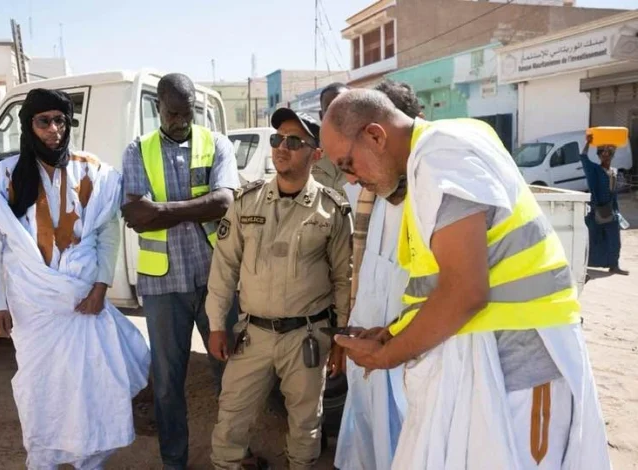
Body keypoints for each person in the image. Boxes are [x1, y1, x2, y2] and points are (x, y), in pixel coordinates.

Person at [321, 89, 611, 469]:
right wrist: (390, 332)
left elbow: (464, 291)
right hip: (496, 371)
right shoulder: (439, 155)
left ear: (376, 136)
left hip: (519, 371)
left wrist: (387, 355)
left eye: (349, 164)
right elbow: (438, 286)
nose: (354, 180)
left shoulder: (439, 156)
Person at [0, 88, 150, 470]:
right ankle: (43, 459)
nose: (54, 129)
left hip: (84, 298)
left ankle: (90, 460)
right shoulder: (4, 175)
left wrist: (102, 287)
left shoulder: (92, 171)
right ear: (28, 125)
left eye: (60, 120)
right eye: (43, 121)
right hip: (33, 304)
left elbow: (108, 233)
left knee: (90, 385)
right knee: (41, 388)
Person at [206, 107, 353, 470]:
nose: (281, 147)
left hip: (307, 336)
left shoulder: (333, 210)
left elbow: (344, 280)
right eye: (276, 139)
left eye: (293, 141)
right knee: (230, 418)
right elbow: (224, 267)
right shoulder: (246, 202)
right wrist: (215, 325)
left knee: (306, 425)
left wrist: (340, 339)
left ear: (316, 154)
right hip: (252, 334)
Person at [120, 73, 240, 470]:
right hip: (162, 286)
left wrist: (161, 211)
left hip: (215, 282)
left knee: (231, 374)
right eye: (172, 113)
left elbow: (224, 202)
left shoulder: (215, 143)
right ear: (158, 108)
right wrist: (192, 207)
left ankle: (230, 455)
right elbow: (137, 217)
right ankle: (175, 461)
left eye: (186, 113)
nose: (180, 121)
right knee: (168, 384)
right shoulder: (138, 150)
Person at [333, 79, 423, 470]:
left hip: (408, 355)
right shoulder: (371, 189)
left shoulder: (428, 190)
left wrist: (393, 342)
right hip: (369, 344)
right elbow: (362, 268)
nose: (352, 178)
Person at [581, 135, 628, 275]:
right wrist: (588, 143)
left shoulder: (613, 171)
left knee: (615, 241)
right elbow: (583, 158)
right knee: (591, 240)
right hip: (595, 212)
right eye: (603, 154)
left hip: (611, 212)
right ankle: (582, 264)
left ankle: (614, 266)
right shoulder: (594, 170)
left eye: (609, 154)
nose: (606, 156)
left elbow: (614, 195)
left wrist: (617, 213)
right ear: (599, 156)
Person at [313, 82, 350, 199]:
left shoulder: (371, 155)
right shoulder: (308, 155)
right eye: (330, 109)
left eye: (345, 108)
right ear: (321, 115)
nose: (338, 115)